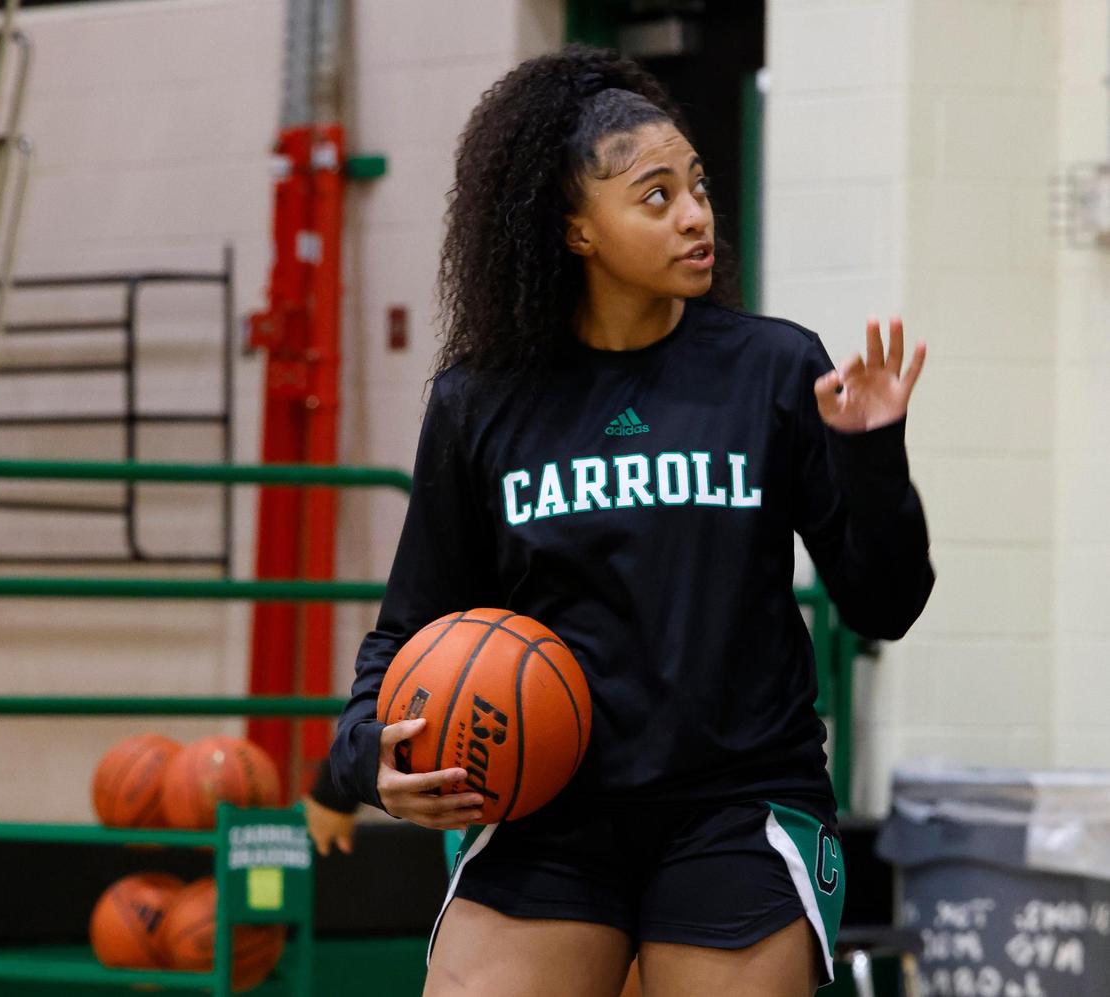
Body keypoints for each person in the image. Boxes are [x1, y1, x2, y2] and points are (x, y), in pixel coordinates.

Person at [316, 43, 934, 997]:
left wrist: (873, 453)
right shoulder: (481, 402)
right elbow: (406, 631)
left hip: (736, 807)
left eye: (696, 185)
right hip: (549, 809)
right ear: (575, 230)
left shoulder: (773, 369)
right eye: (655, 197)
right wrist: (368, 755)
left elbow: (884, 602)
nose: (695, 214)